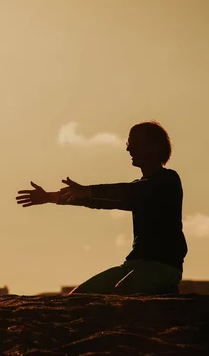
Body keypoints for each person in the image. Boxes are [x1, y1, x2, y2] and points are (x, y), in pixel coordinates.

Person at [16, 121, 187, 295]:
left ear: (154, 146)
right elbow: (103, 200)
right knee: (79, 296)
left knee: (123, 292)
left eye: (134, 143)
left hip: (164, 267)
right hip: (132, 265)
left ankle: (165, 291)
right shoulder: (140, 186)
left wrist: (88, 190)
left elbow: (127, 194)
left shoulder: (168, 180)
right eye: (128, 144)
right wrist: (50, 197)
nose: (128, 149)